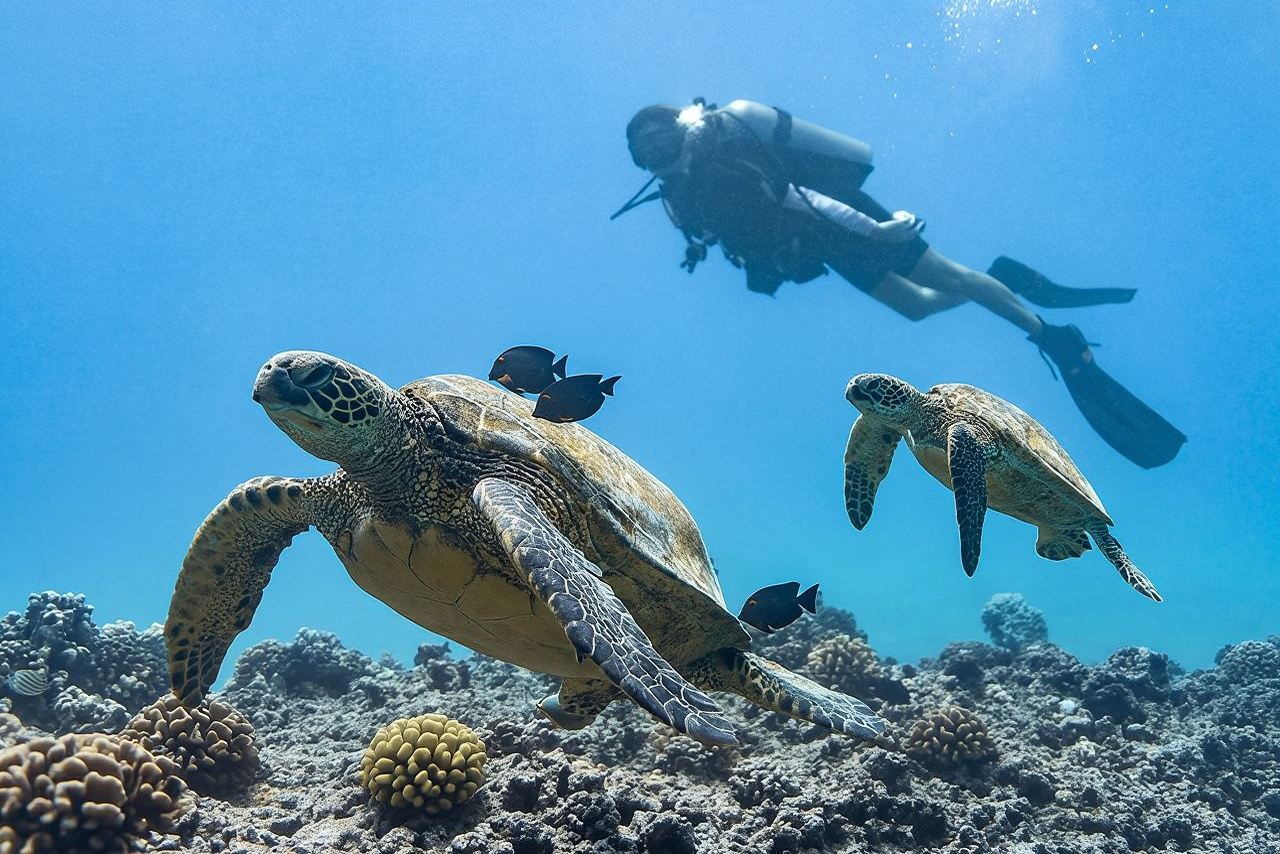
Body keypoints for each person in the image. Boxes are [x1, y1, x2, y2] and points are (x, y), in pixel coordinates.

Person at [616, 99, 1185, 468]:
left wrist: (880, 230)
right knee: (918, 307)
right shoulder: (680, 192)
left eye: (662, 140)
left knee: (949, 276)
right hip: (830, 246)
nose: (657, 154)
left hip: (852, 220)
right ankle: (997, 279)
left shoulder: (721, 163)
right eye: (646, 151)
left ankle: (1050, 335)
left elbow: (799, 198)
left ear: (679, 132)